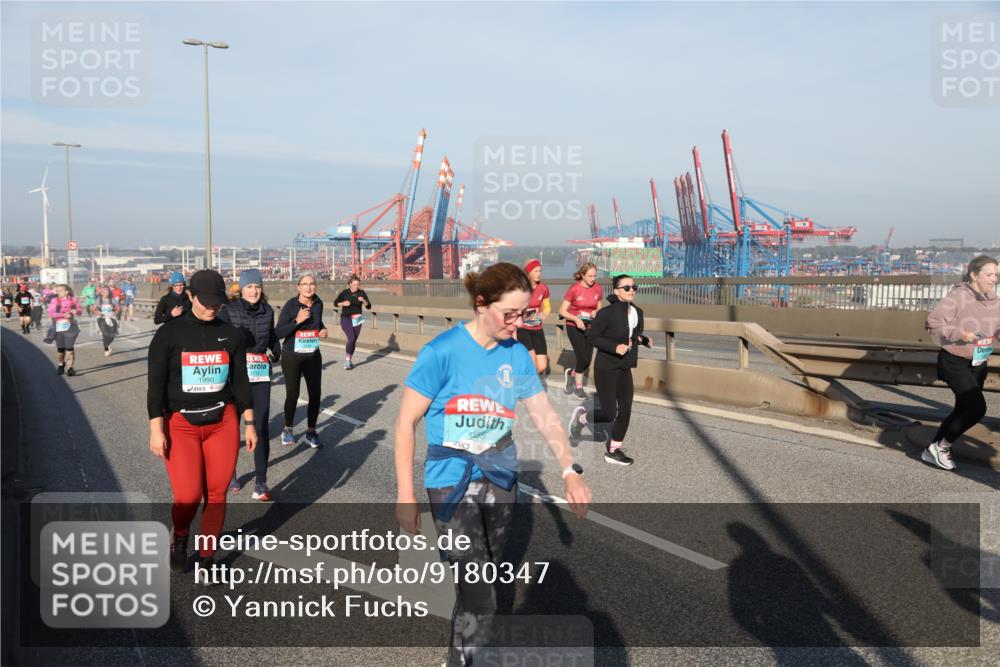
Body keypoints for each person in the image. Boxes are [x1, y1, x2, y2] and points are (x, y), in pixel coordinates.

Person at [395, 262, 591, 667]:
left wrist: (570, 471)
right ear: (482, 304)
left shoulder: (516, 355)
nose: (518, 324)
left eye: (524, 314)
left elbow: (543, 415)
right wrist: (404, 493)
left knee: (478, 588)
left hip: (501, 478)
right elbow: (405, 422)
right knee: (481, 587)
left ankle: (459, 657)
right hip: (450, 480)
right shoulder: (442, 352)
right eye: (510, 314)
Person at [146, 269, 257, 573]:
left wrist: (250, 423)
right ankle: (180, 536)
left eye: (217, 303)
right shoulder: (169, 334)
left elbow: (241, 382)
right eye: (206, 302)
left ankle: (207, 558)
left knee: (218, 493)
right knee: (188, 496)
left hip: (222, 421)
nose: (212, 308)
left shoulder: (231, 335)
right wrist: (156, 430)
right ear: (191, 297)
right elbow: (155, 386)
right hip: (181, 424)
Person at [923, 255, 1000, 471]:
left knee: (962, 409)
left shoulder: (995, 301)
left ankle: (932, 449)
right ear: (973, 275)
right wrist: (958, 332)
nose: (994, 278)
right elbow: (933, 323)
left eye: (996, 274)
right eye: (989, 274)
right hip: (954, 360)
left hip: (978, 361)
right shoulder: (958, 296)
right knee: (976, 408)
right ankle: (943, 447)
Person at [567, 274, 649, 466]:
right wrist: (614, 347)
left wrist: (643, 340)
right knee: (609, 413)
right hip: (606, 367)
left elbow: (634, 334)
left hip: (624, 366)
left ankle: (613, 450)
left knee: (626, 410)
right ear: (616, 291)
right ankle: (582, 418)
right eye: (626, 287)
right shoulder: (606, 313)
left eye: (634, 287)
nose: (632, 290)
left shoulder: (638, 312)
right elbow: (592, 336)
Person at [217, 269, 280, 501]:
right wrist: (233, 342)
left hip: (260, 374)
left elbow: (270, 334)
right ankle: (230, 473)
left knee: (261, 427)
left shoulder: (268, 311)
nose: (254, 291)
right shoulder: (229, 311)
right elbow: (217, 336)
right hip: (234, 375)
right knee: (232, 428)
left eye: (257, 287)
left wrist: (276, 347)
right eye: (249, 287)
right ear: (241, 289)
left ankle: (261, 484)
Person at [275, 273, 328, 448]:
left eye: (311, 283)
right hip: (292, 356)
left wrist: (323, 330)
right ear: (298, 287)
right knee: (293, 395)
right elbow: (278, 332)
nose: (308, 287)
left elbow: (317, 323)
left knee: (315, 394)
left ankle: (311, 432)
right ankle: (288, 429)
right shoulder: (291, 305)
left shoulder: (318, 303)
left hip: (312, 355)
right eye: (304, 284)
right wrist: (297, 321)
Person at [558, 263, 602, 398]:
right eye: (589, 276)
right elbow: (562, 311)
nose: (593, 278)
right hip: (574, 327)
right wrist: (576, 320)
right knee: (582, 358)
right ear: (582, 275)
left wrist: (596, 312)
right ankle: (579, 388)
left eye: (594, 275)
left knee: (587, 360)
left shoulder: (597, 288)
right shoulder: (574, 289)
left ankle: (571, 374)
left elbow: (600, 307)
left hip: (590, 327)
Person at [515, 259, 551, 376]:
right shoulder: (520, 288)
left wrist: (545, 313)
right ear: (528, 273)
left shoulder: (543, 288)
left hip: (537, 328)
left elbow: (547, 307)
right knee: (533, 364)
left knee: (542, 366)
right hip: (523, 329)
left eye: (540, 271)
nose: (539, 273)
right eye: (535, 271)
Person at [334, 274, 373, 370]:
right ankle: (347, 361)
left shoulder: (362, 293)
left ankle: (349, 359)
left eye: (358, 284)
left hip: (358, 318)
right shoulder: (344, 293)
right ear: (350, 284)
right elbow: (335, 303)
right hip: (346, 318)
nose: (356, 286)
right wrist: (343, 303)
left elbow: (369, 306)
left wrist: (363, 301)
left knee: (354, 340)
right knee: (351, 338)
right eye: (354, 284)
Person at [47, 284, 83, 376]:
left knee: (70, 349)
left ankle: (70, 368)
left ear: (66, 291)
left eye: (60, 290)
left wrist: (76, 311)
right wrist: (63, 315)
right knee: (61, 350)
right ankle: (61, 363)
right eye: (57, 290)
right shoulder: (54, 300)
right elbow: (51, 313)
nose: (58, 292)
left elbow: (80, 311)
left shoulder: (73, 300)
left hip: (71, 327)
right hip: (58, 327)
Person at [94, 284, 121, 357]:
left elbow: (118, 308)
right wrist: (98, 313)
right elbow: (93, 309)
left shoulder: (112, 300)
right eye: (104, 291)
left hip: (111, 317)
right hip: (101, 318)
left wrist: (115, 312)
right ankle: (106, 349)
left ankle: (107, 345)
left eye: (107, 291)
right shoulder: (98, 300)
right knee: (105, 334)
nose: (105, 292)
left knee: (112, 335)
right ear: (101, 292)